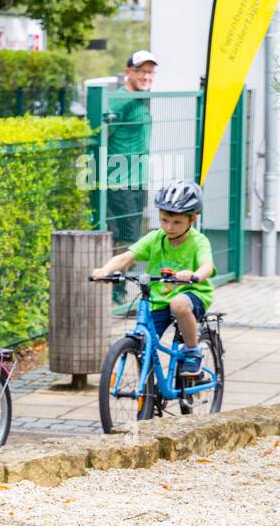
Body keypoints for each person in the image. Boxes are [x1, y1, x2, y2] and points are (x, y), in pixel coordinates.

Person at [91, 180, 215, 376]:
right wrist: (105, 270)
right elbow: (125, 257)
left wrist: (194, 275)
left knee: (178, 304)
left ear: (192, 220)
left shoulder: (199, 241)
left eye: (176, 222)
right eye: (164, 220)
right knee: (143, 343)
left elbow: (207, 266)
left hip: (192, 292)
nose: (169, 227)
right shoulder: (155, 238)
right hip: (158, 299)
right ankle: (148, 394)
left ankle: (192, 351)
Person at [105, 50, 157, 301]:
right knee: (124, 238)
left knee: (133, 237)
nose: (146, 76)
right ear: (129, 73)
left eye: (150, 72)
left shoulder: (142, 99)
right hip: (119, 182)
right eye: (141, 71)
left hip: (138, 180)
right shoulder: (118, 100)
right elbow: (104, 135)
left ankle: (120, 287)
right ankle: (116, 290)